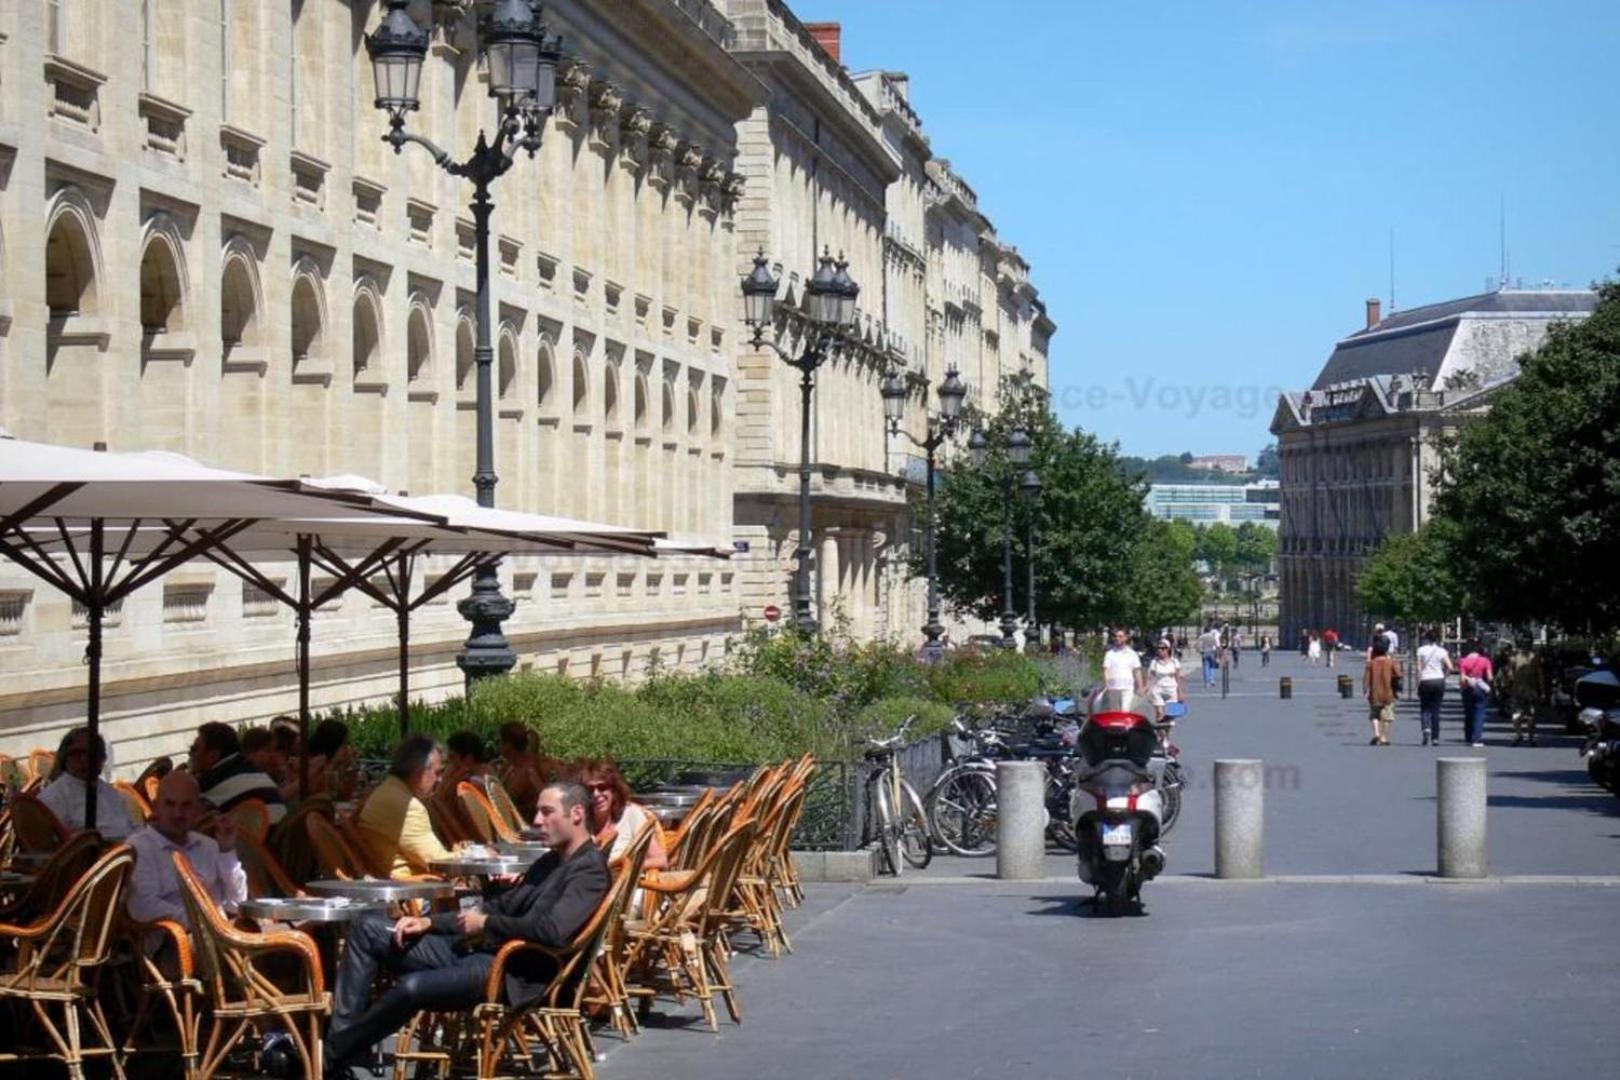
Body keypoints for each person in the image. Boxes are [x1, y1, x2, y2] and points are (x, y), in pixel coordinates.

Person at [324, 780, 610, 1073]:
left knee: (411, 988)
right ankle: (341, 1051)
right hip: (478, 951)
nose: (537, 820)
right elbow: (498, 906)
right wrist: (428, 921)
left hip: (513, 972)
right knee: (367, 927)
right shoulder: (551, 860)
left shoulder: (589, 870)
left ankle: (332, 1052)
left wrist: (486, 923)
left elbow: (552, 931)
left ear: (576, 813)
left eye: (547, 812)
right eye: (538, 812)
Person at [126, 771, 248, 939]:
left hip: (223, 933)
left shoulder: (208, 845)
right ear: (156, 807)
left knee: (282, 943)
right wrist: (204, 922)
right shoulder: (140, 847)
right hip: (176, 941)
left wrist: (227, 851)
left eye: (186, 805)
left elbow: (237, 902)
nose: (177, 813)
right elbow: (143, 906)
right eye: (169, 804)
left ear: (197, 809)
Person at [353, 734, 455, 879]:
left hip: (393, 883)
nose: (440, 779)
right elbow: (440, 863)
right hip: (415, 892)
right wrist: (473, 855)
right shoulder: (408, 807)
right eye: (437, 772)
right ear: (419, 772)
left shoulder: (387, 790)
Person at [38, 727, 138, 840]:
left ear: (102, 759)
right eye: (77, 753)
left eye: (92, 753)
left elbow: (130, 827)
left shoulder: (111, 793)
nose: (84, 759)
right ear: (65, 757)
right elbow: (53, 843)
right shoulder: (53, 797)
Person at [573, 759, 669, 871]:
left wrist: (623, 869)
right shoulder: (579, 822)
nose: (596, 794)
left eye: (602, 787)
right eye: (589, 790)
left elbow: (661, 860)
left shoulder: (631, 815)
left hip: (625, 886)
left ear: (613, 790)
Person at [189, 723, 287, 824]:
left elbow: (186, 815)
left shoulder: (212, 781)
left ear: (213, 756)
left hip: (259, 837)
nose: (190, 753)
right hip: (280, 834)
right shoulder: (249, 768)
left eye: (194, 749)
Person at [498, 722, 551, 821]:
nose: (498, 745)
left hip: (524, 824)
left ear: (508, 746)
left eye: (500, 742)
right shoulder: (511, 764)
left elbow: (506, 800)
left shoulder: (527, 769)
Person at [1415, 630, 1454, 747]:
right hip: (1438, 680)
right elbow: (1450, 667)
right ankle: (1435, 738)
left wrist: (1418, 681)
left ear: (1426, 639)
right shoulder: (1442, 651)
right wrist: (1444, 675)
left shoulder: (1421, 650)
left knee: (1425, 707)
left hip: (1425, 680)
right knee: (1436, 709)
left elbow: (1418, 668)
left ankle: (1426, 728)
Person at [1364, 637, 1401, 746]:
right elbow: (1398, 674)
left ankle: (1376, 733)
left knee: (1374, 714)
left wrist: (1365, 690)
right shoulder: (1390, 662)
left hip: (1374, 693)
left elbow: (1366, 678)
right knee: (1387, 715)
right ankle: (1384, 736)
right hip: (1387, 692)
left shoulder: (1371, 663)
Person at [1457, 638, 1494, 748]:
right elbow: (1490, 677)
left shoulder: (1463, 661)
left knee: (1468, 714)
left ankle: (1468, 738)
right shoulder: (1485, 660)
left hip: (1467, 688)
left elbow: (1462, 679)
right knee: (1479, 713)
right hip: (1480, 689)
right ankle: (1477, 739)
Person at [1507, 643, 1543, 747]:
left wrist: (1510, 684)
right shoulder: (1535, 657)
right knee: (1531, 715)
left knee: (1516, 713)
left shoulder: (1514, 657)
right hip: (1532, 691)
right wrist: (1542, 690)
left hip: (1517, 690)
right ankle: (1531, 737)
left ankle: (1519, 734)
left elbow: (1509, 674)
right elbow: (1540, 675)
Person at [1146, 640, 1184, 721]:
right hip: (1158, 689)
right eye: (1158, 648)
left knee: (1171, 715)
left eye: (1163, 648)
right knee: (1159, 712)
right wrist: (1147, 689)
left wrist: (1180, 692)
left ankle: (1166, 732)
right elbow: (1151, 677)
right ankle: (1160, 731)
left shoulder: (1174, 662)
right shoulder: (1154, 662)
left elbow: (1178, 678)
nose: (1160, 650)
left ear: (1168, 649)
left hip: (1171, 689)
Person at [1102, 628, 1147, 694]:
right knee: (1114, 705)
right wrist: (1107, 685)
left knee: (1126, 705)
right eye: (1116, 636)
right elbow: (1106, 670)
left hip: (1128, 688)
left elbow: (1137, 671)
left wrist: (1140, 687)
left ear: (1126, 638)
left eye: (1120, 636)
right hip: (1113, 688)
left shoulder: (1132, 654)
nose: (1117, 638)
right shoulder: (1109, 654)